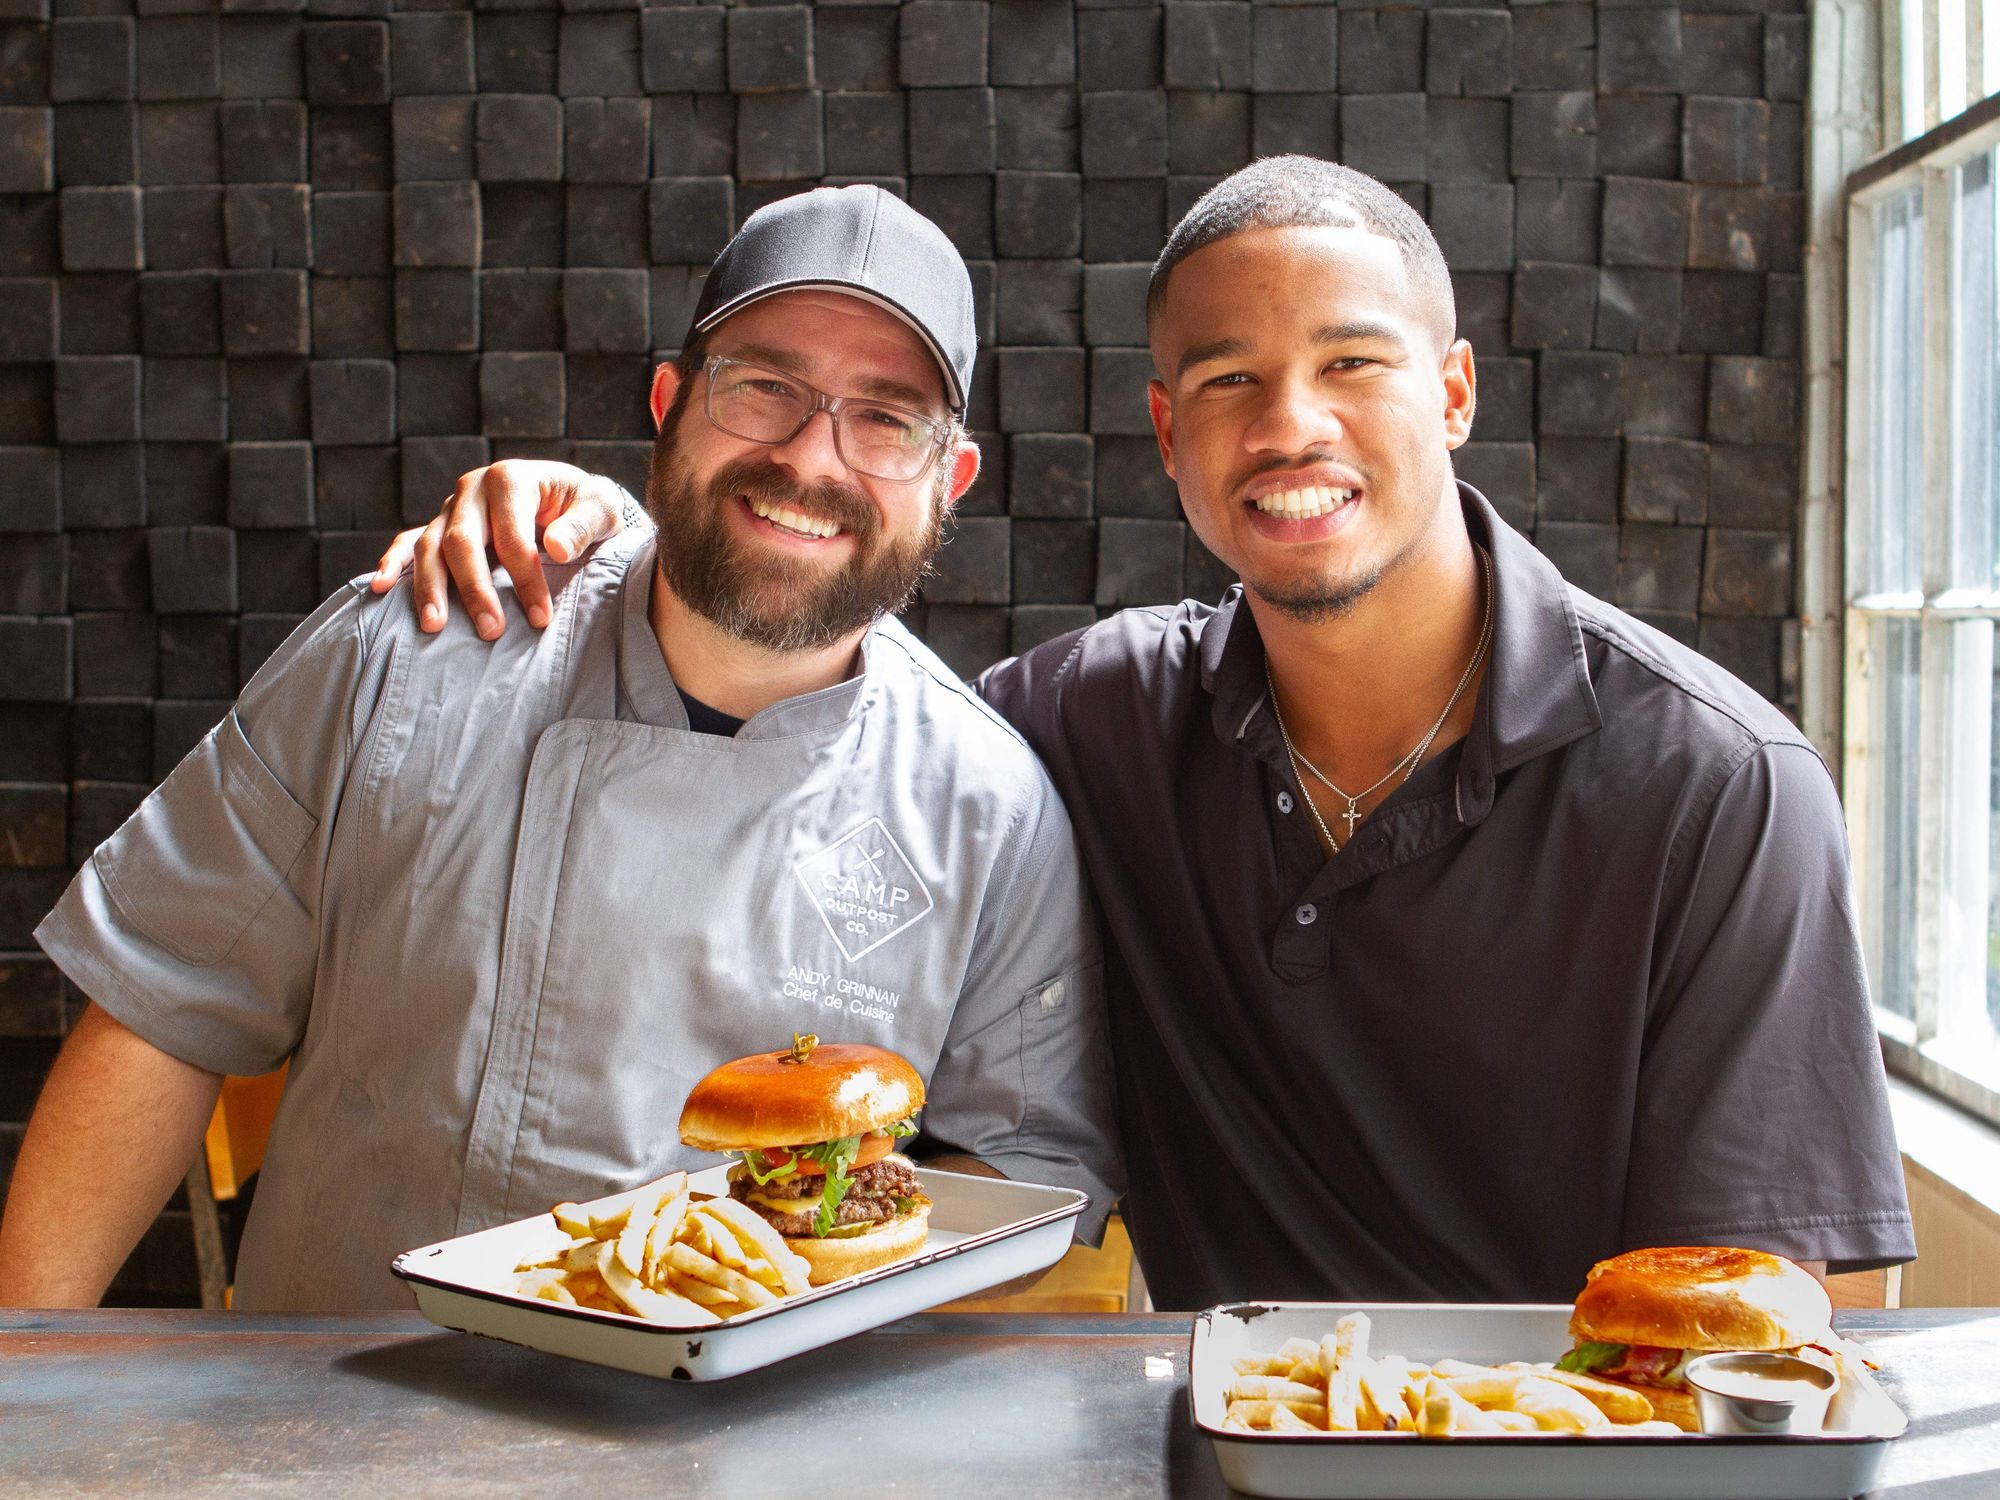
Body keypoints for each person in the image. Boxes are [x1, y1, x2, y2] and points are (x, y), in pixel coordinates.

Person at [380, 157, 1915, 1311]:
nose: (1290, 426)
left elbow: (1794, 1324)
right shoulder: (1088, 723)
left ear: (1451, 392)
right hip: (1204, 1454)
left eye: (1351, 365)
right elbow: (815, 659)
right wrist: (596, 539)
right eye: (1229, 381)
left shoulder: (1719, 786)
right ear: (1172, 436)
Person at [0, 186, 1123, 1311]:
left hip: (747, 1451)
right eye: (764, 385)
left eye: (885, 418)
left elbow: (1026, 1173)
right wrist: (28, 1395)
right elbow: (163, 1006)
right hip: (340, 1414)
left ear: (949, 481)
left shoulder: (987, 809)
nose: (811, 459)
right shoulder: (411, 646)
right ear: (669, 403)